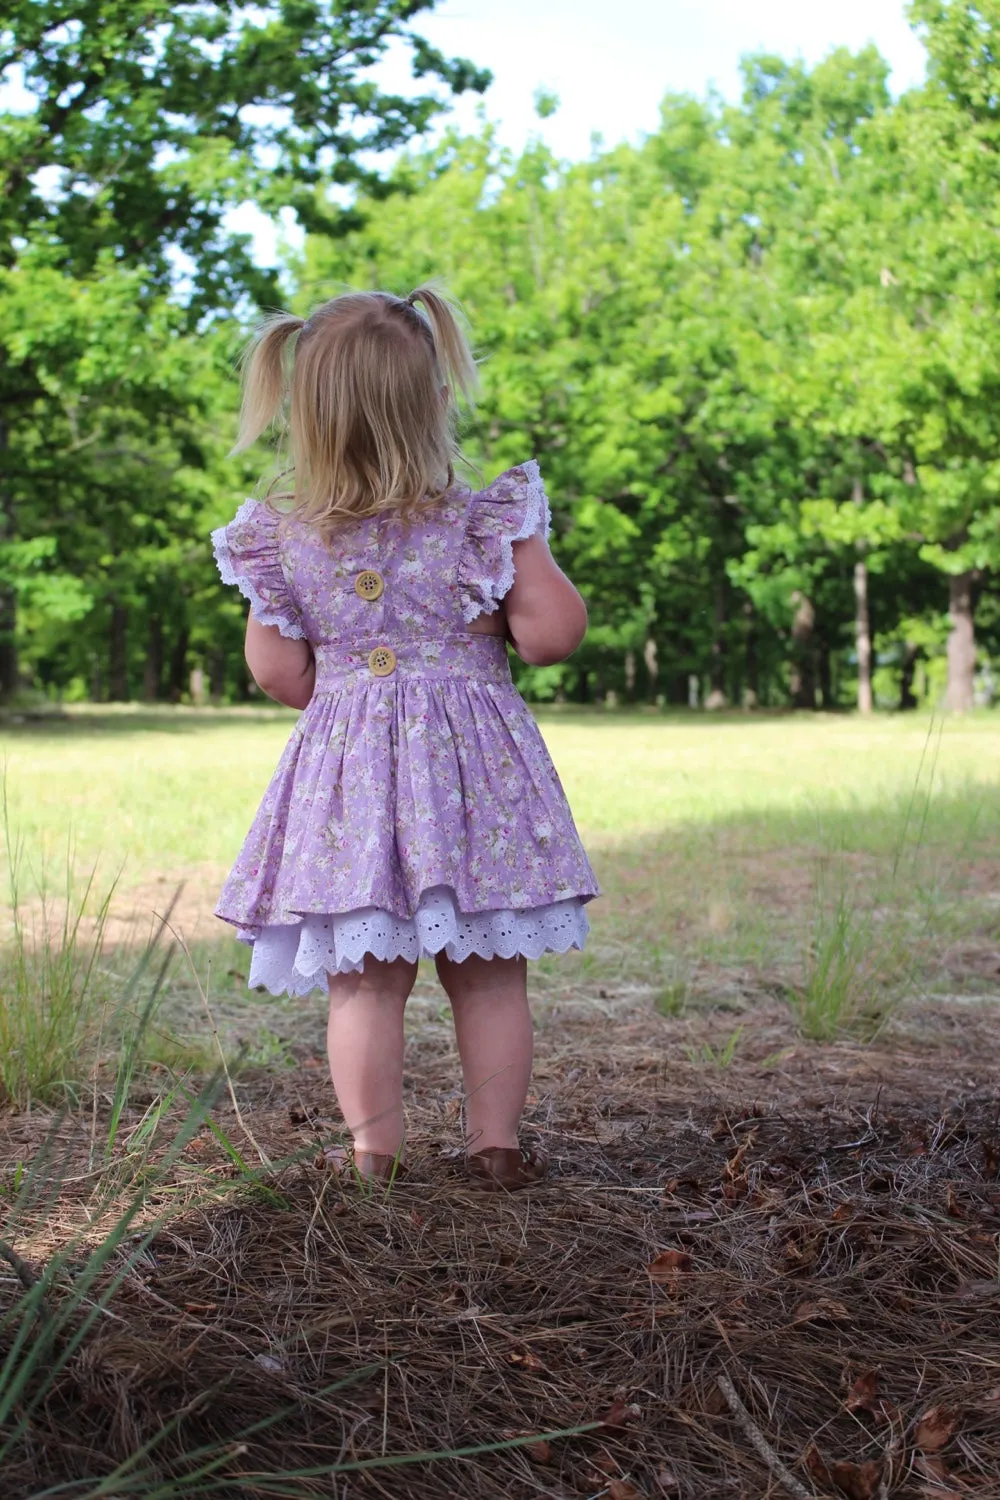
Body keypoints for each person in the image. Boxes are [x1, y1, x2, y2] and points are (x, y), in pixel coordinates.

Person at [211, 285, 598, 1190]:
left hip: (348, 784)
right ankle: (494, 1147)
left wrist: (347, 683)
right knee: (493, 974)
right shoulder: (488, 521)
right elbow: (552, 636)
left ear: (306, 415)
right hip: (475, 780)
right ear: (434, 399)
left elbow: (277, 675)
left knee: (365, 981)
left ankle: (370, 1157)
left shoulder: (281, 537)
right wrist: (499, 609)